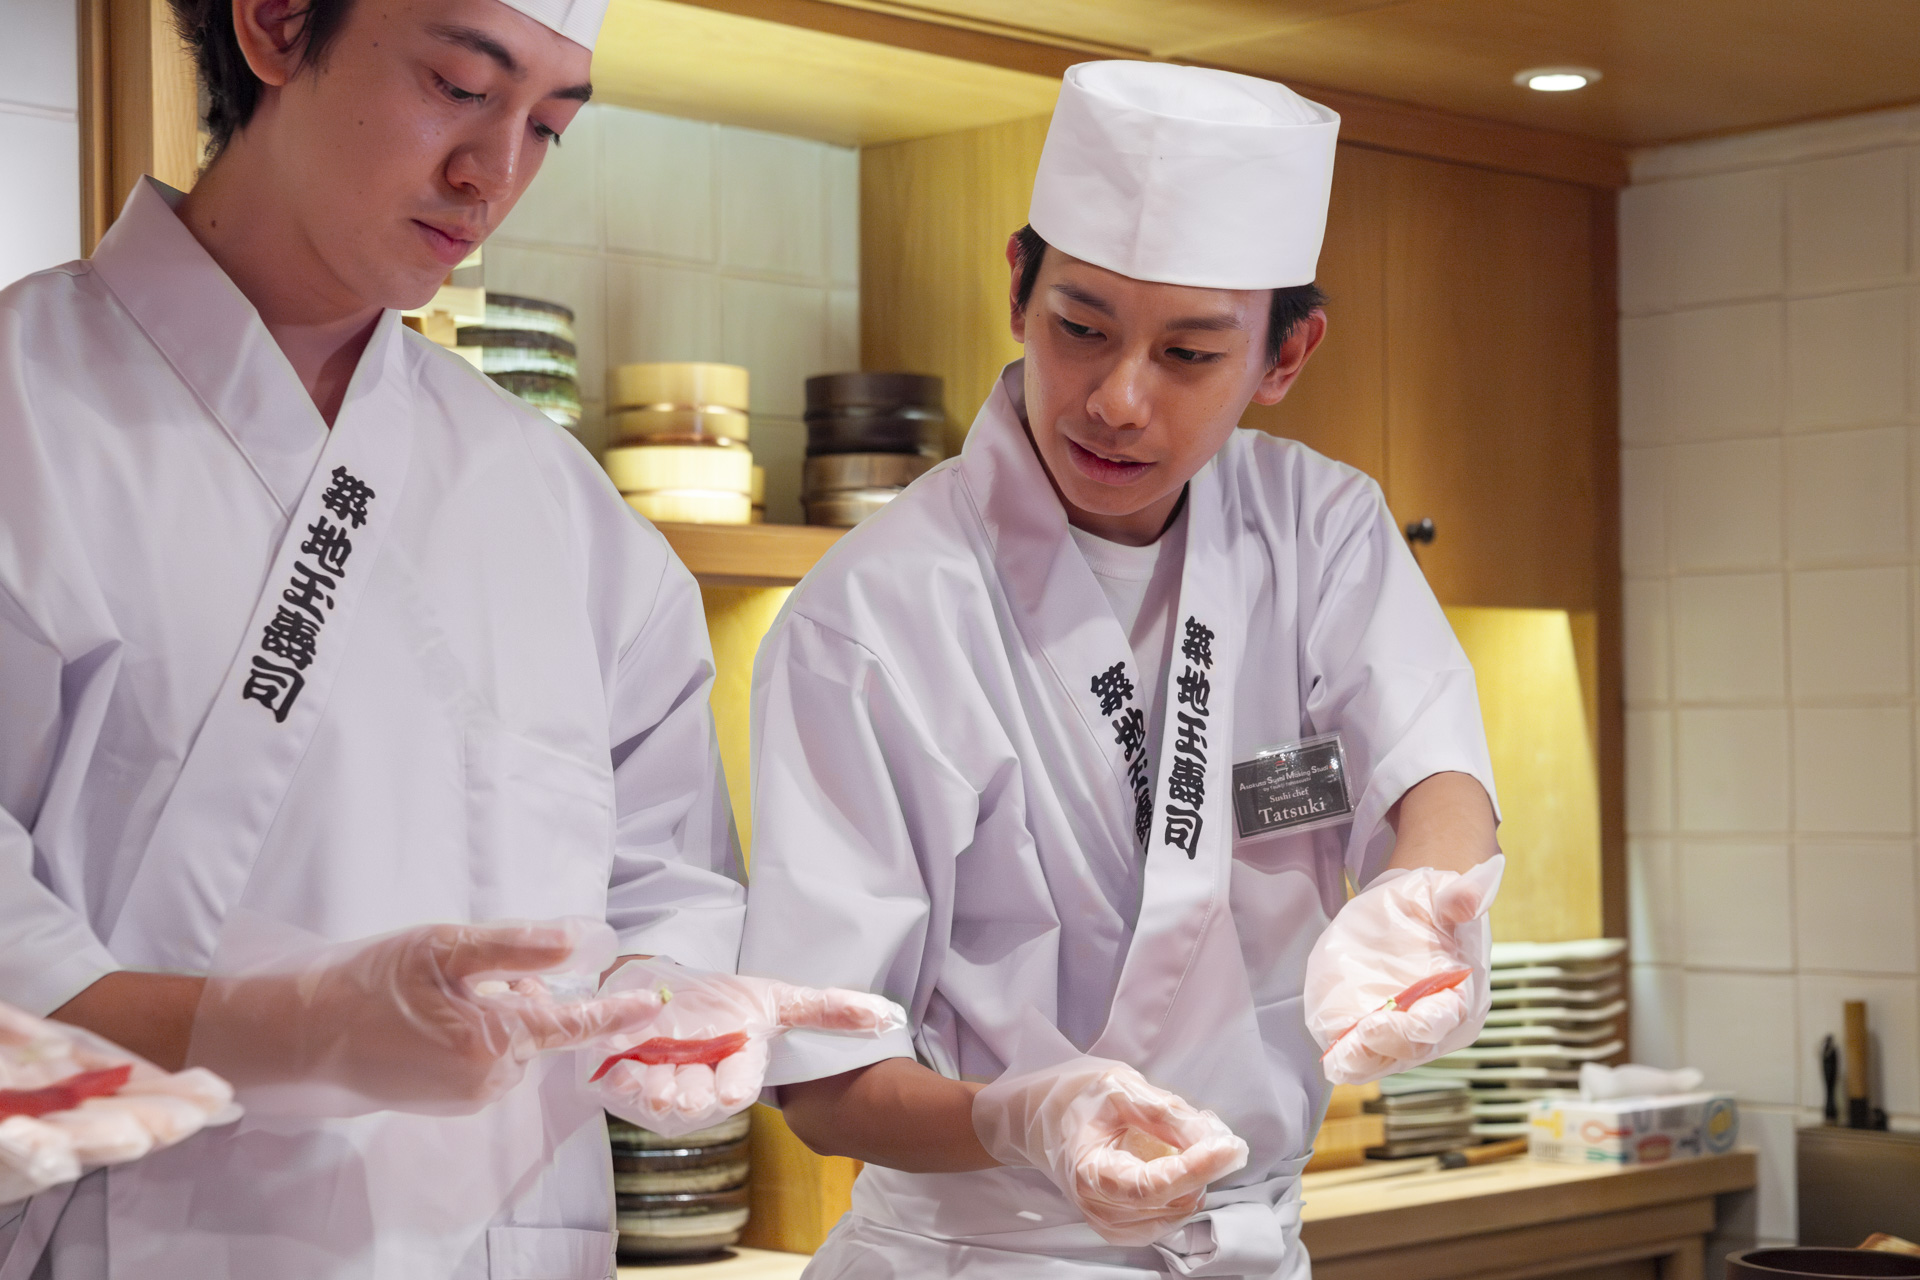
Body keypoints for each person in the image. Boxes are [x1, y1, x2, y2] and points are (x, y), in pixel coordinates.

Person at [0, 1, 877, 1275]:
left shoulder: (557, 500)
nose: (494, 174)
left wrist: (666, 1000)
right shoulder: (24, 414)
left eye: (549, 126)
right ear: (276, 23)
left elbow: (668, 876)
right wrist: (285, 1031)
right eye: (461, 86)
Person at [734, 61, 1508, 1278]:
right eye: (1079, 328)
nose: (1117, 400)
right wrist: (1022, 1116)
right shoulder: (877, 611)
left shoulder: (1319, 528)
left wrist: (1416, 902)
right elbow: (823, 1078)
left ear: (1285, 354)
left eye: (1192, 354)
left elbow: (1436, 774)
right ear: (1017, 288)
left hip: (1255, 1240)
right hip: (987, 1253)